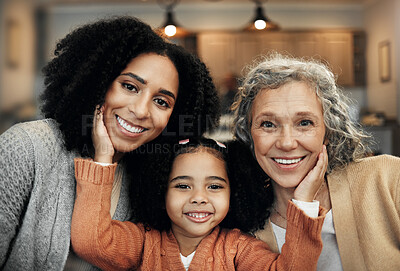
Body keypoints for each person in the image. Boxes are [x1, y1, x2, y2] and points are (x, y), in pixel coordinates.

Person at [0, 16, 220, 270]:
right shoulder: (27, 147)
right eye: (129, 86)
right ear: (99, 82)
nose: (140, 110)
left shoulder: (153, 180)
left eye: (161, 101)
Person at [71, 113, 328, 270]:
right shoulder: (144, 242)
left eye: (214, 186)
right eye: (183, 185)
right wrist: (104, 157)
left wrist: (303, 200)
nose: (199, 198)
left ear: (234, 193)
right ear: (161, 191)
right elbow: (92, 242)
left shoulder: (239, 249)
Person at [232, 53, 400, 270]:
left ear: (328, 131)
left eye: (304, 122)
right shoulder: (239, 222)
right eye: (268, 124)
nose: (287, 143)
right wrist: (303, 205)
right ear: (249, 135)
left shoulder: (388, 178)